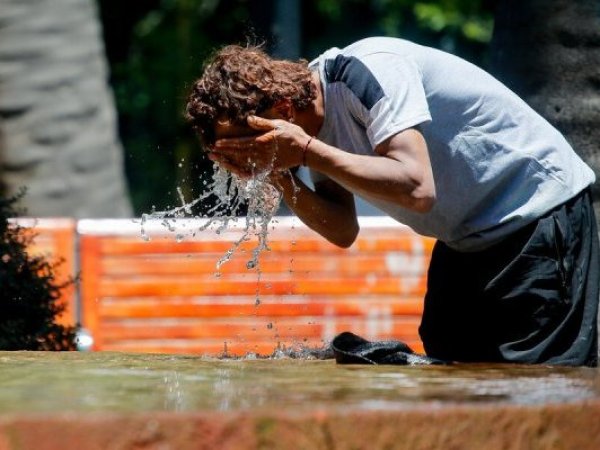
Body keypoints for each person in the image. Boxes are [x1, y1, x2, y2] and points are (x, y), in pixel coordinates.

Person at [185, 37, 599, 366]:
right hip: (467, 239)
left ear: (283, 109)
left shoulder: (367, 72)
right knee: (451, 366)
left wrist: (307, 152)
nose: (252, 158)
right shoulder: (310, 128)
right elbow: (342, 229)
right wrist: (279, 174)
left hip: (537, 215)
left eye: (252, 146)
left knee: (540, 381)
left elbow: (417, 187)